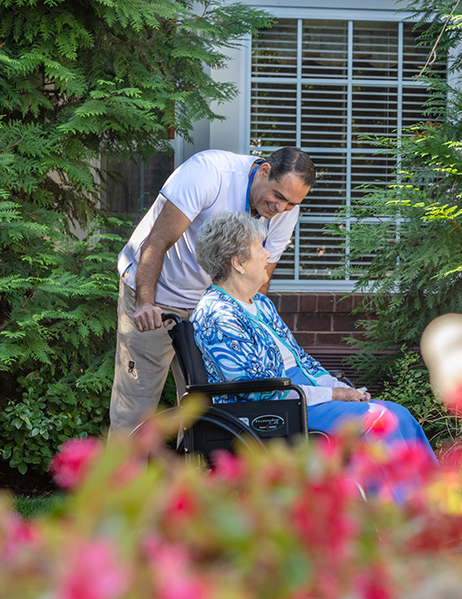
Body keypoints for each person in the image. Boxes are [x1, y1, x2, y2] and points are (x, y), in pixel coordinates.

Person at [190, 211, 439, 502]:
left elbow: (301, 360)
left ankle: (432, 514)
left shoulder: (260, 303)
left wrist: (341, 389)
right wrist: (332, 394)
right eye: (260, 248)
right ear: (238, 262)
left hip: (299, 396)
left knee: (399, 413)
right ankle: (408, 519)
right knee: (383, 420)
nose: (267, 254)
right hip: (276, 411)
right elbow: (257, 391)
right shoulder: (218, 313)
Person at [110, 147, 316, 436]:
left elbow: (259, 277)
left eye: (291, 204)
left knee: (207, 410)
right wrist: (144, 303)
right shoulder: (209, 173)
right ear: (265, 170)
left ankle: (194, 479)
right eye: (279, 197)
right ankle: (119, 480)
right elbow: (156, 242)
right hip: (156, 293)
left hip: (211, 311)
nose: (280, 209)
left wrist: (252, 325)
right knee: (136, 408)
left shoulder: (283, 214)